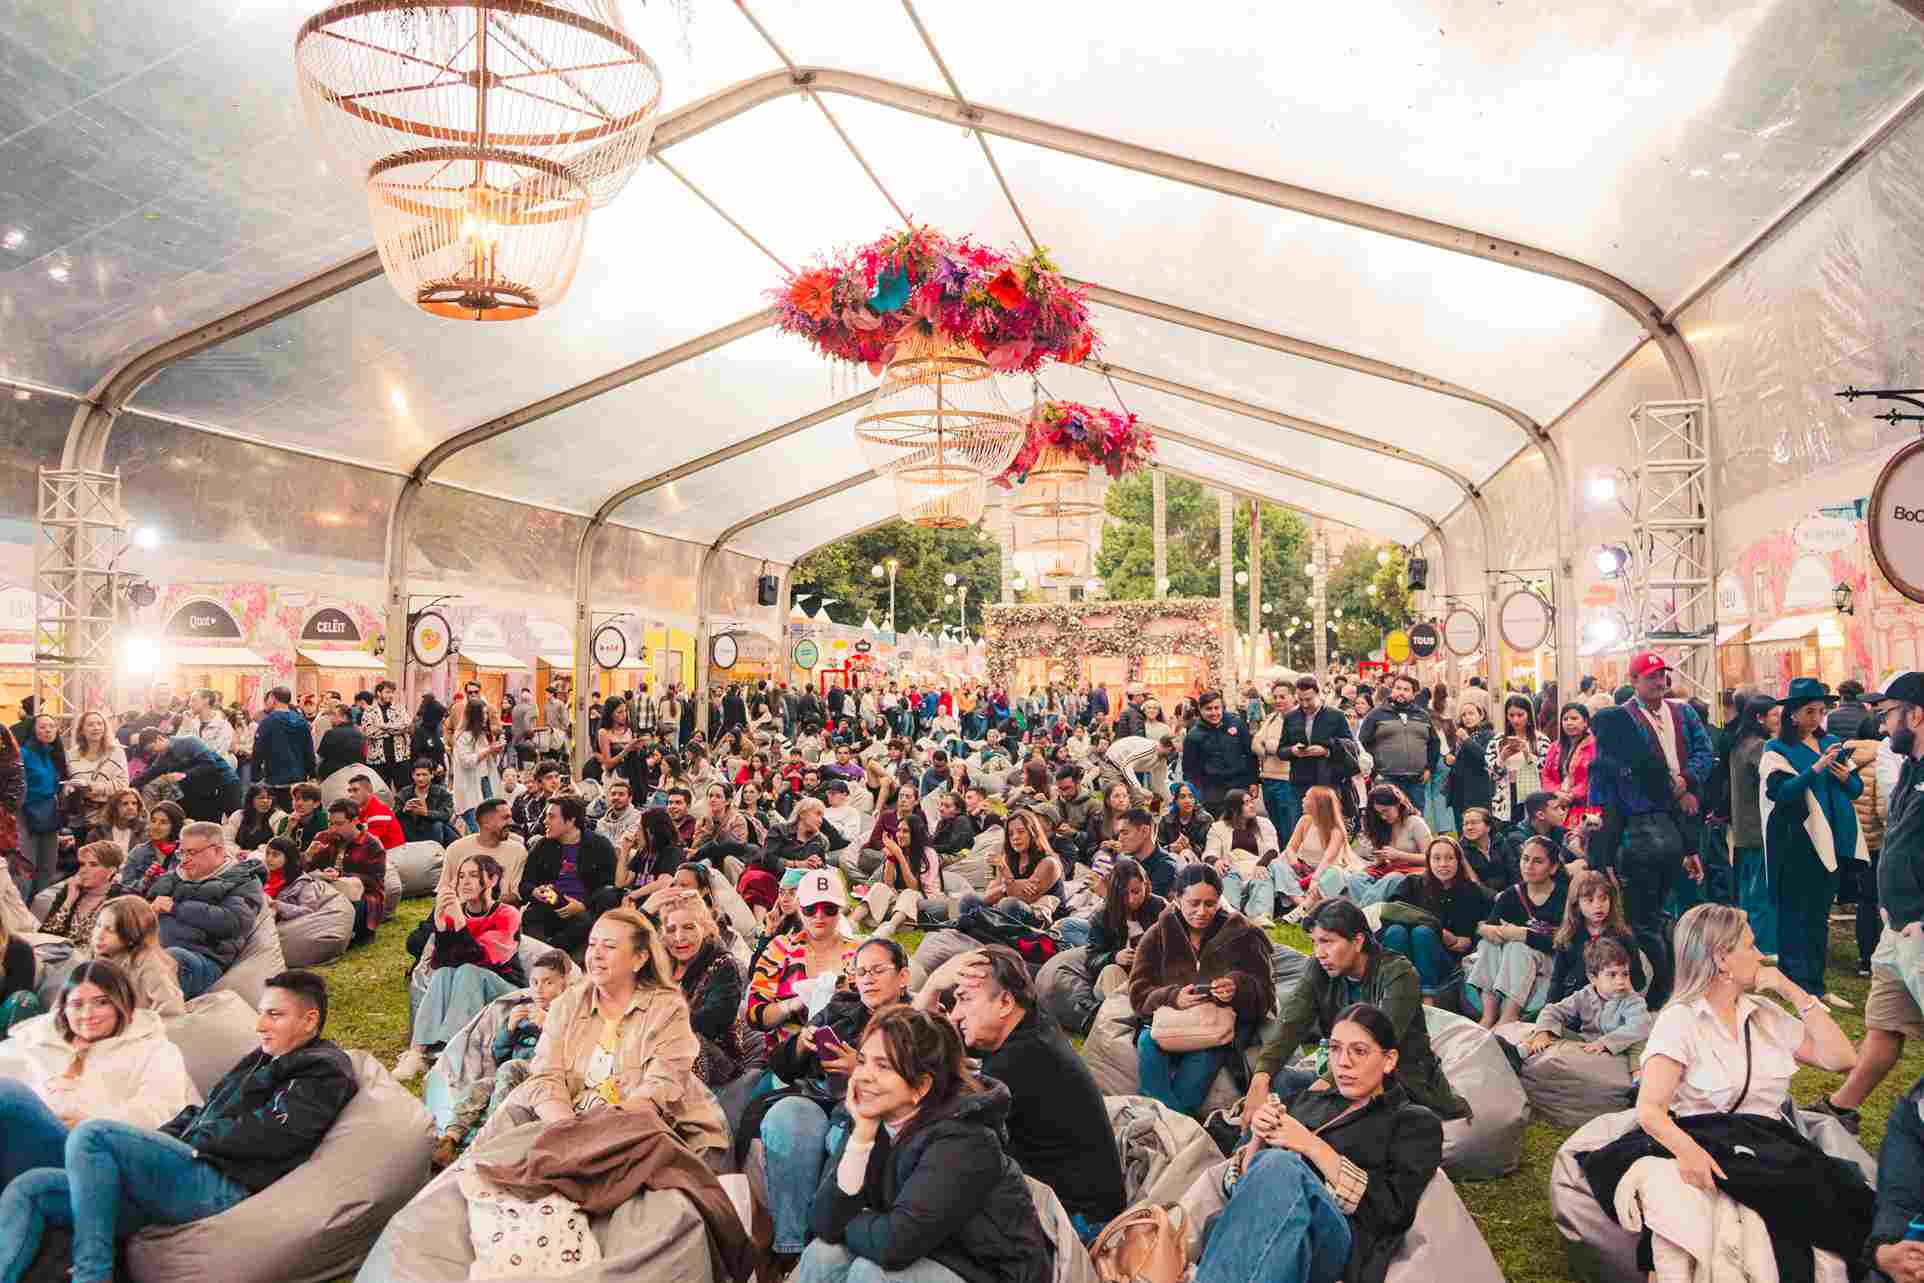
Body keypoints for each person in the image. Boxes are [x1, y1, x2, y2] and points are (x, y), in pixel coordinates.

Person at [0, 969, 356, 1283]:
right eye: (261, 1013)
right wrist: (149, 1146)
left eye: (274, 1015)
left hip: (219, 1180)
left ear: (309, 1021)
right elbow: (199, 1112)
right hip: (180, 1171)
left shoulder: (320, 1067)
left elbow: (275, 1131)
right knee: (31, 1187)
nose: (260, 1025)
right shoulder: (260, 1058)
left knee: (93, 1134)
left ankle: (93, 1274)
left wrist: (194, 1141)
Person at [1579, 904, 1864, 1283]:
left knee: (1837, 1208)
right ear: (1721, 958)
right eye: (1750, 945)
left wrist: (1791, 990)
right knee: (1685, 1223)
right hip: (1702, 1138)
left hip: (1765, 1146)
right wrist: (1689, 1153)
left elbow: (1843, 1059)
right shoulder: (1680, 1020)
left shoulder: (1763, 1014)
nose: (1761, 956)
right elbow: (1650, 1110)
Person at [796, 1006, 1050, 1283]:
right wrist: (861, 1141)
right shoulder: (875, 1117)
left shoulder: (966, 1139)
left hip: (984, 1270)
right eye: (862, 1061)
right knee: (823, 1255)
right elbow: (821, 1221)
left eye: (883, 1066)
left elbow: (894, 1244)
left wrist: (845, 1221)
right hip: (928, 1252)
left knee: (872, 1275)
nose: (864, 1076)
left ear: (921, 1087)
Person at [1205, 1003, 1444, 1283]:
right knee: (1267, 1176)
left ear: (1389, 1060)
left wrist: (1311, 1146)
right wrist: (1258, 1137)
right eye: (1335, 1049)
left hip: (1337, 1241)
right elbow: (1237, 1189)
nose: (1343, 1062)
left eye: (1359, 1051)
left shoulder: (1412, 1122)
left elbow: (1391, 1212)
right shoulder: (1306, 1100)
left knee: (1280, 1165)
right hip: (1274, 1232)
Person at [506, 908, 727, 1158]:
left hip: (642, 1126)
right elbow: (546, 1076)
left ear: (639, 958)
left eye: (609, 946)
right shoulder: (567, 1003)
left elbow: (658, 1089)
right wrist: (569, 1130)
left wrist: (595, 1136)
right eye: (592, 944)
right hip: (569, 1124)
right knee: (505, 1140)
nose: (596, 955)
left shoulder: (667, 1009)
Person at [946, 945, 1128, 1241]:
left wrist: (928, 989)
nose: (955, 1014)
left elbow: (944, 1121)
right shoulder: (1030, 1020)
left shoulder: (1019, 1060)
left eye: (964, 999)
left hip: (1077, 1220)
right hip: (1088, 1202)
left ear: (1005, 1002)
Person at [1815, 673, 1924, 1133]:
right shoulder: (1910, 769)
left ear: (1916, 715)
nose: (1880, 725)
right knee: (1884, 1026)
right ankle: (1842, 1109)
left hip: (1917, 928)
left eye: (1888, 714)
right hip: (1894, 927)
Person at [1250, 899, 1469, 1123]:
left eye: (1327, 942)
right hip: (1344, 1076)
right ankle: (1246, 1153)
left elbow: (1377, 1044)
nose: (1319, 953)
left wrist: (1322, 1089)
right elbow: (1291, 1021)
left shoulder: (1398, 973)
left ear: (1357, 941)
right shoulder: (1319, 968)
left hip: (1398, 1084)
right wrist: (1261, 1077)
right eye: (1314, 943)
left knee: (1309, 1116)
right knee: (1279, 1080)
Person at [0, 963, 198, 1202]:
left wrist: (91, 1121)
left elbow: (162, 1111)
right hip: (25, 1143)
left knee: (9, 1096)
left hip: (98, 1153)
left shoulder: (155, 1050)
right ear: (64, 1008)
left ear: (121, 1003)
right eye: (77, 1004)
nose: (87, 1014)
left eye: (101, 1002)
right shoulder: (34, 1041)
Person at [1128, 863, 1276, 1117]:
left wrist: (1237, 987)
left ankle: (1162, 1121)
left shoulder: (1243, 934)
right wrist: (1173, 996)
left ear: (1220, 900)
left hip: (1217, 1031)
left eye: (1210, 903)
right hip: (1171, 1024)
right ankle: (1175, 1123)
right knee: (1146, 1041)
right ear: (1176, 900)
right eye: (1193, 903)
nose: (1202, 912)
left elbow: (1266, 996)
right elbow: (1138, 992)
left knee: (1201, 1064)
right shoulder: (1157, 935)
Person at [1588, 694, 1702, 1012]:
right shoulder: (1651, 760)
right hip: (1669, 839)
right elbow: (1674, 804)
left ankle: (1662, 988)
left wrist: (1603, 860)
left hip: (1636, 843)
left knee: (1642, 923)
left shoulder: (1604, 765)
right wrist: (1690, 849)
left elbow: (1608, 817)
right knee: (1659, 915)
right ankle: (1674, 980)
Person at [1761, 677, 1863, 1004]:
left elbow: (1856, 789)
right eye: (1810, 712)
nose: (1817, 718)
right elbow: (1781, 793)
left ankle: (1817, 985)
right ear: (1793, 715)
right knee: (1794, 915)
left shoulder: (1832, 741)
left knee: (1819, 916)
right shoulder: (1776, 749)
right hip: (1795, 842)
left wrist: (1846, 776)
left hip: (1830, 841)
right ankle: (1797, 985)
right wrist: (1816, 768)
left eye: (1821, 711)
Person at [430, 949, 571, 1169]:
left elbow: (570, 1052)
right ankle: (450, 1139)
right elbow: (498, 1053)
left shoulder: (565, 1013)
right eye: (534, 982)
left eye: (548, 983)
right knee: (482, 1086)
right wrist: (508, 1028)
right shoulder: (523, 1009)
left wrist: (548, 1025)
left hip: (540, 1077)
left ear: (564, 984)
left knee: (510, 1068)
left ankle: (490, 1135)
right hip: (508, 1075)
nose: (539, 989)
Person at [395, 852, 524, 1081]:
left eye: (474, 875)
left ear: (492, 880)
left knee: (468, 971)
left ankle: (452, 1055)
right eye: (461, 876)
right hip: (468, 989)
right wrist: (440, 926)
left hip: (506, 990)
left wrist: (461, 924)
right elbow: (440, 963)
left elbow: (483, 959)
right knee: (446, 972)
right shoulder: (457, 913)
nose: (465, 882)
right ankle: (417, 1053)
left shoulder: (507, 914)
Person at [143, 821, 265, 1000]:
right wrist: (147, 911)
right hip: (153, 949)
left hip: (201, 960)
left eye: (192, 852)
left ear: (217, 850)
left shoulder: (243, 881)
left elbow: (232, 922)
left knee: (170, 959)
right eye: (181, 852)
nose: (184, 860)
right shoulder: (171, 877)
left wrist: (177, 908)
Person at [748, 868, 860, 1059]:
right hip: (785, 1060)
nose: (819, 915)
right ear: (799, 908)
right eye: (810, 908)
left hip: (846, 1059)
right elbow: (755, 1016)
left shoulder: (860, 952)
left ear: (841, 909)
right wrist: (793, 1004)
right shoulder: (780, 948)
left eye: (829, 909)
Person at [661, 890, 755, 1088]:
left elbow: (715, 1019)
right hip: (660, 1047)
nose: (679, 937)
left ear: (704, 928)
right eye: (671, 930)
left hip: (715, 1058)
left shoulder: (723, 963)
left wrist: (663, 1023)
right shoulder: (659, 963)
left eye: (688, 927)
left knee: (685, 1039)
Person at [1380, 836, 1490, 993]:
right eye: (1436, 858)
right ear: (1428, 861)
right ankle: (1395, 989)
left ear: (1458, 861)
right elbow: (1391, 913)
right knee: (1396, 931)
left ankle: (1427, 995)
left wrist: (1464, 940)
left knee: (1422, 933)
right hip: (1406, 955)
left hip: (1444, 962)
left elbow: (1465, 942)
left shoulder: (1470, 891)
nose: (1443, 864)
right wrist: (1441, 932)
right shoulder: (1412, 884)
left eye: (1450, 858)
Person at [1516, 935, 1649, 1060]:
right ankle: (1527, 1045)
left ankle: (1636, 1073)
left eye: (1625, 974)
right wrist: (1543, 1032)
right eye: (1612, 975)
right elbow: (1552, 1011)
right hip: (1586, 1043)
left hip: (1617, 1048)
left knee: (1638, 1043)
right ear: (1593, 978)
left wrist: (1605, 1043)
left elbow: (1638, 1026)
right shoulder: (1584, 995)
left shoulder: (1632, 1000)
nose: (1621, 981)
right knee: (1547, 1027)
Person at [520, 793, 616, 955]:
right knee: (530, 916)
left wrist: (583, 905)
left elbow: (609, 889)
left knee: (584, 921)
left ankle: (549, 956)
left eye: (551, 817)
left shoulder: (599, 846)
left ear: (570, 821)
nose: (545, 822)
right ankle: (546, 958)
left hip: (584, 907)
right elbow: (525, 884)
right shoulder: (543, 845)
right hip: (550, 903)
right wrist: (534, 892)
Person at [1545, 868, 1646, 1003]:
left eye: (1603, 898)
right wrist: (1550, 1007)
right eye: (1590, 900)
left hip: (1615, 1002)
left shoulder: (1623, 936)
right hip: (1579, 1005)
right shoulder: (1568, 938)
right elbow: (1557, 981)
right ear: (1577, 905)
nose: (1598, 905)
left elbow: (1639, 978)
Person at [304, 798, 389, 944]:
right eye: (331, 823)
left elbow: (374, 881)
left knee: (352, 905)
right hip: (326, 892)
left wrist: (341, 876)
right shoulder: (323, 837)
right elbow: (303, 872)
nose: (333, 829)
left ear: (355, 821)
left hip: (361, 897)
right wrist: (308, 856)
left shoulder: (372, 844)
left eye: (339, 824)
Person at [964, 809, 1065, 926]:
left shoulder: (1048, 862)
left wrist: (1007, 878)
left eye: (1021, 831)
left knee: (1008, 904)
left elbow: (1025, 897)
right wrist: (1007, 886)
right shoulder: (1008, 858)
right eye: (1010, 834)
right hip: (1009, 910)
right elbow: (988, 896)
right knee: (969, 899)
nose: (1015, 837)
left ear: (1033, 832)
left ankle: (992, 932)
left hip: (1042, 915)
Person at [1358, 673, 1440, 815]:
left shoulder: (1422, 715)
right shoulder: (1377, 714)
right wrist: (1374, 772)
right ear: (1392, 690)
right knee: (1387, 822)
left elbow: (1434, 743)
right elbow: (1362, 743)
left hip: (1416, 781)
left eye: (1406, 689)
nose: (1401, 692)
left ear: (1414, 694)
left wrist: (1429, 769)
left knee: (1415, 820)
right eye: (1398, 688)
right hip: (1386, 779)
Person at [88, 897, 185, 1016]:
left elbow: (173, 1009)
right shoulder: (100, 958)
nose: (99, 935)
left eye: (110, 930)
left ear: (131, 936)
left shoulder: (150, 965)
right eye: (98, 925)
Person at [129, 726, 243, 826]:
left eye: (152, 749)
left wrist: (183, 775)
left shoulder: (189, 741)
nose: (153, 754)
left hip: (226, 782)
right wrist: (128, 787)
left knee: (236, 819)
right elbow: (148, 774)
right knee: (208, 825)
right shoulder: (162, 759)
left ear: (160, 738)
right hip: (206, 792)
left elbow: (209, 764)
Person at [1205, 787, 1287, 924]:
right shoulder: (1218, 827)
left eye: (1251, 801)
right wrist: (1217, 861)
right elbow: (1210, 852)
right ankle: (1230, 914)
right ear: (1234, 808)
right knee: (1227, 874)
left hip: (1256, 867)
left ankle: (1261, 916)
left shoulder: (1264, 824)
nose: (1251, 805)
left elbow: (1273, 850)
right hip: (1233, 868)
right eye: (1246, 803)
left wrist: (1262, 864)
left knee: (1263, 875)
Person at [14, 714, 68, 900]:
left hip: (49, 812)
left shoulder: (53, 753)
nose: (48, 730)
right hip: (26, 812)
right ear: (33, 730)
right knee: (27, 866)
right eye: (43, 727)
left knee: (48, 866)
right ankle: (21, 914)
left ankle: (39, 911)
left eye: (52, 726)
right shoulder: (23, 753)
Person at [437, 796, 528, 906]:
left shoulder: (518, 851)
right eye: (505, 818)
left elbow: (516, 895)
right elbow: (444, 888)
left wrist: (486, 906)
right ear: (486, 823)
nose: (511, 822)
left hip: (498, 912)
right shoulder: (456, 849)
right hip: (458, 910)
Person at [37, 839, 123, 950]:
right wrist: (69, 901)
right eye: (82, 864)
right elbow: (45, 936)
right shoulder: (70, 890)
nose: (83, 870)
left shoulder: (120, 899)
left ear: (111, 871)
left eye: (93, 865)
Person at [1182, 689, 1257, 815]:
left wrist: (1254, 781)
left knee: (1242, 826)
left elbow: (1250, 754)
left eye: (1217, 708)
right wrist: (1198, 792)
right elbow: (1189, 769)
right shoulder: (1194, 735)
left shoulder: (1237, 724)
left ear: (1222, 707)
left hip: (1240, 786)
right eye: (1208, 709)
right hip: (1212, 792)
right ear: (1200, 710)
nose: (1213, 713)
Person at [1485, 695, 1551, 824]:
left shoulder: (1541, 741)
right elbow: (1492, 774)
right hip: (1505, 797)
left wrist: (1527, 754)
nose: (1515, 720)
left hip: (1531, 795)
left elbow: (1545, 772)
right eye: (1511, 715)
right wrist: (1502, 757)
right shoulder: (1497, 741)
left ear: (1529, 715)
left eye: (1520, 715)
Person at [252, 687, 316, 810]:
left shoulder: (268, 722)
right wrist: (311, 773)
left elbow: (258, 751)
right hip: (298, 778)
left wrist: (255, 776)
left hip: (275, 778)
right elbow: (309, 750)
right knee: (296, 812)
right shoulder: (302, 721)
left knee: (277, 816)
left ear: (273, 699)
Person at [449, 695, 506, 834]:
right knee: (478, 828)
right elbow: (466, 761)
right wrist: (489, 750)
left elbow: (489, 762)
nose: (486, 717)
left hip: (485, 780)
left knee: (490, 823)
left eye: (486, 713)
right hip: (470, 785)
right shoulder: (463, 736)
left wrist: (496, 749)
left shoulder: (482, 734)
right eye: (483, 713)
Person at [1543, 702, 1599, 832]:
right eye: (1565, 719)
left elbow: (1592, 777)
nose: (1569, 723)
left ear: (1585, 722)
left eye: (1574, 718)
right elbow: (1546, 775)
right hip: (1557, 803)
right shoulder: (1555, 747)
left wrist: (1570, 795)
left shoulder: (1594, 746)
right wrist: (1557, 792)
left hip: (1585, 804)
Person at [1356, 784, 1431, 873]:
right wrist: (1380, 860)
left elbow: (1430, 858)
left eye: (1386, 811)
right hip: (1390, 871)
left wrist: (1399, 855)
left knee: (1392, 879)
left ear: (1398, 804)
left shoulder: (1415, 822)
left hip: (1412, 874)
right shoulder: (1381, 825)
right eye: (1378, 813)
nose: (1383, 817)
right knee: (1358, 878)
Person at [1443, 700, 1496, 822]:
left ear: (1481, 716)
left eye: (1471, 713)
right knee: (1461, 826)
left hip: (1477, 791)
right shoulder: (1461, 734)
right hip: (1458, 790)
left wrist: (1466, 740)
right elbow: (1453, 754)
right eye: (1464, 715)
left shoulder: (1488, 735)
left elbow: (1485, 757)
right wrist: (1447, 759)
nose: (1467, 717)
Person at [394, 759, 457, 847]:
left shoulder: (442, 793)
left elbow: (446, 814)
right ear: (413, 776)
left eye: (424, 775)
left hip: (435, 832)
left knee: (438, 825)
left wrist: (426, 813)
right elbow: (394, 815)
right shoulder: (404, 793)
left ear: (431, 775)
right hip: (411, 833)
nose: (420, 778)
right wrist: (403, 810)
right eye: (418, 775)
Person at [65, 711, 128, 797]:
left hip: (110, 808)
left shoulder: (117, 752)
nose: (96, 728)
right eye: (90, 724)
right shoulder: (71, 755)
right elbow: (66, 782)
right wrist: (69, 789)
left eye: (100, 724)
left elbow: (123, 784)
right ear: (81, 730)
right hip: (78, 808)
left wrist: (99, 788)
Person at [345, 774, 405, 851]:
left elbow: (366, 842)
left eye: (355, 790)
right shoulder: (362, 811)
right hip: (380, 855)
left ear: (369, 790)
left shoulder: (379, 811)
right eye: (349, 791)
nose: (351, 795)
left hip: (393, 857)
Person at [1158, 783, 1213, 864]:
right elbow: (1158, 849)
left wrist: (1190, 847)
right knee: (1173, 856)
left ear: (1195, 800)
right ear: (1176, 801)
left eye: (1191, 796)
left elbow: (1209, 851)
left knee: (1185, 853)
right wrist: (1170, 848)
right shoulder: (1166, 820)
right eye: (1182, 797)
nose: (1187, 801)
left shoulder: (1205, 820)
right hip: (1172, 860)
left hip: (1198, 863)